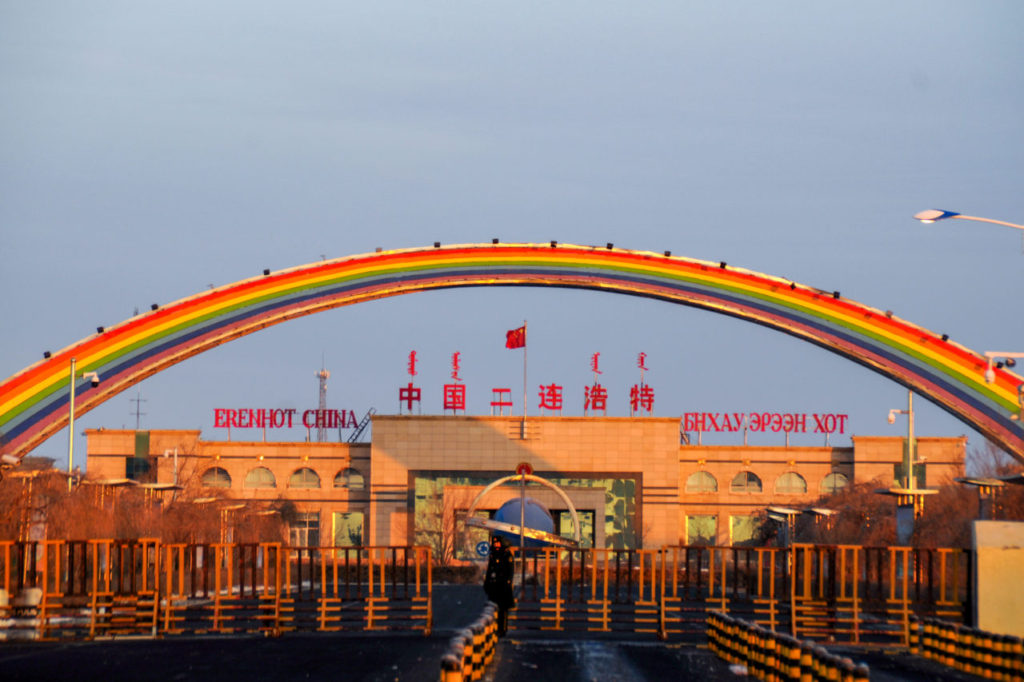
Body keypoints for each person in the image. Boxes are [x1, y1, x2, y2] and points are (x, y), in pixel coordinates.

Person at [483, 535, 515, 636]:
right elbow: (490, 570)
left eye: (498, 543)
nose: (496, 545)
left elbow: (509, 571)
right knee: (492, 609)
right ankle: (494, 629)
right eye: (495, 543)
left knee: (503, 610)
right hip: (494, 586)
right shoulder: (493, 555)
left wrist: (507, 581)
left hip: (503, 586)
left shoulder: (506, 555)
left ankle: (502, 629)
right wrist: (487, 583)